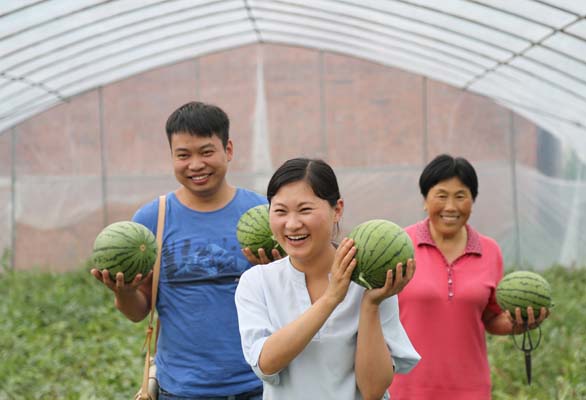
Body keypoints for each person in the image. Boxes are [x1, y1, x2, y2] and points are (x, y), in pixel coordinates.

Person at [91, 101, 267, 399]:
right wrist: (124, 292)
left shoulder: (262, 213)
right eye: (183, 155)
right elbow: (138, 312)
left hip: (259, 384)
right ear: (172, 156)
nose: (195, 165)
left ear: (228, 150)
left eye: (206, 152)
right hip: (181, 390)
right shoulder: (152, 220)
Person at [235, 157, 421, 400]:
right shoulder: (256, 282)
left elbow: (373, 390)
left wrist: (371, 304)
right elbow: (265, 364)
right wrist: (331, 298)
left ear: (337, 210)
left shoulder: (370, 277)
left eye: (305, 210)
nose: (292, 224)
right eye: (280, 211)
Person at [389, 154, 550, 400]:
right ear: (425, 200)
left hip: (471, 390)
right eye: (441, 196)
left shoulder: (490, 251)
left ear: (472, 201)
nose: (450, 207)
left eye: (460, 196)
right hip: (406, 388)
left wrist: (524, 323)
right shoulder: (400, 246)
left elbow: (491, 319)